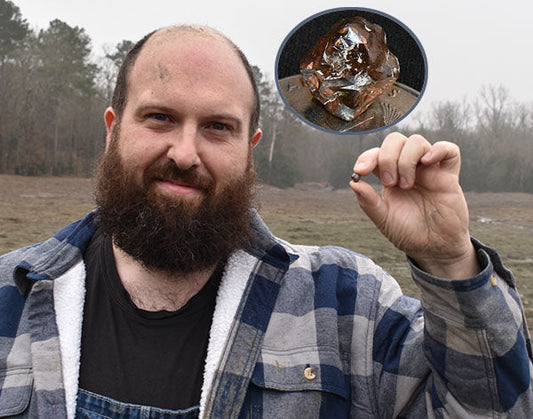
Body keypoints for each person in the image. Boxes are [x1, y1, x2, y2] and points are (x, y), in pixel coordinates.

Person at [0, 24, 531, 419]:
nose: (185, 152)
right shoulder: (11, 300)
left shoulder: (347, 307)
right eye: (160, 117)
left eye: (217, 127)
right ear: (113, 130)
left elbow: (495, 408)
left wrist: (449, 258)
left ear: (250, 150)